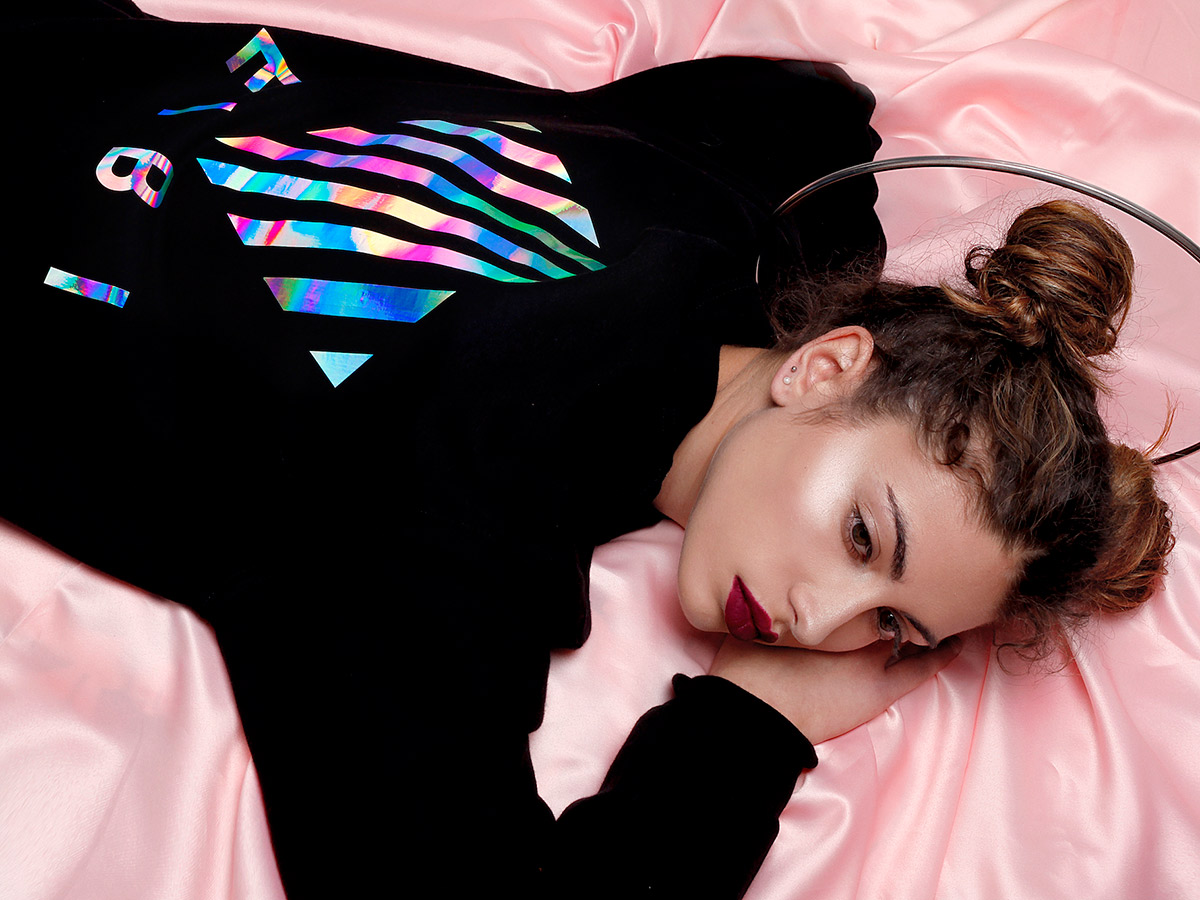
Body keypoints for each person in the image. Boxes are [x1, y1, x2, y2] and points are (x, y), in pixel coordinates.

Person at [4, 7, 1171, 899]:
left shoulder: (715, 210)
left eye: (893, 629)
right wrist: (748, 728)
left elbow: (817, 112)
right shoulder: (443, 516)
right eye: (864, 537)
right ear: (825, 365)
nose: (819, 622)